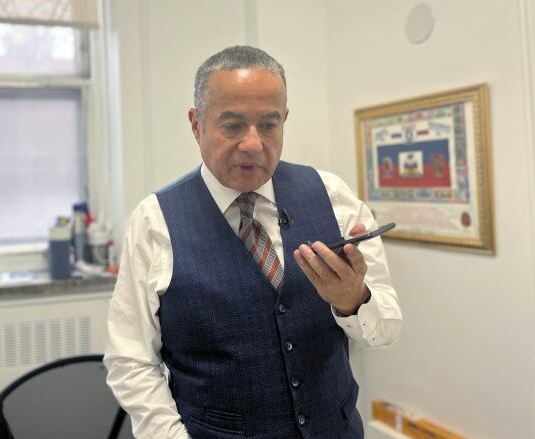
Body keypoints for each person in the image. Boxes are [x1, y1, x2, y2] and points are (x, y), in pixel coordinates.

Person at [104, 46, 402, 439]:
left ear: (285, 121)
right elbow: (131, 360)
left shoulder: (333, 197)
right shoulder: (154, 221)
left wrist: (353, 300)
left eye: (268, 125)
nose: (252, 144)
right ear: (196, 124)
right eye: (232, 125)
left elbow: (385, 330)